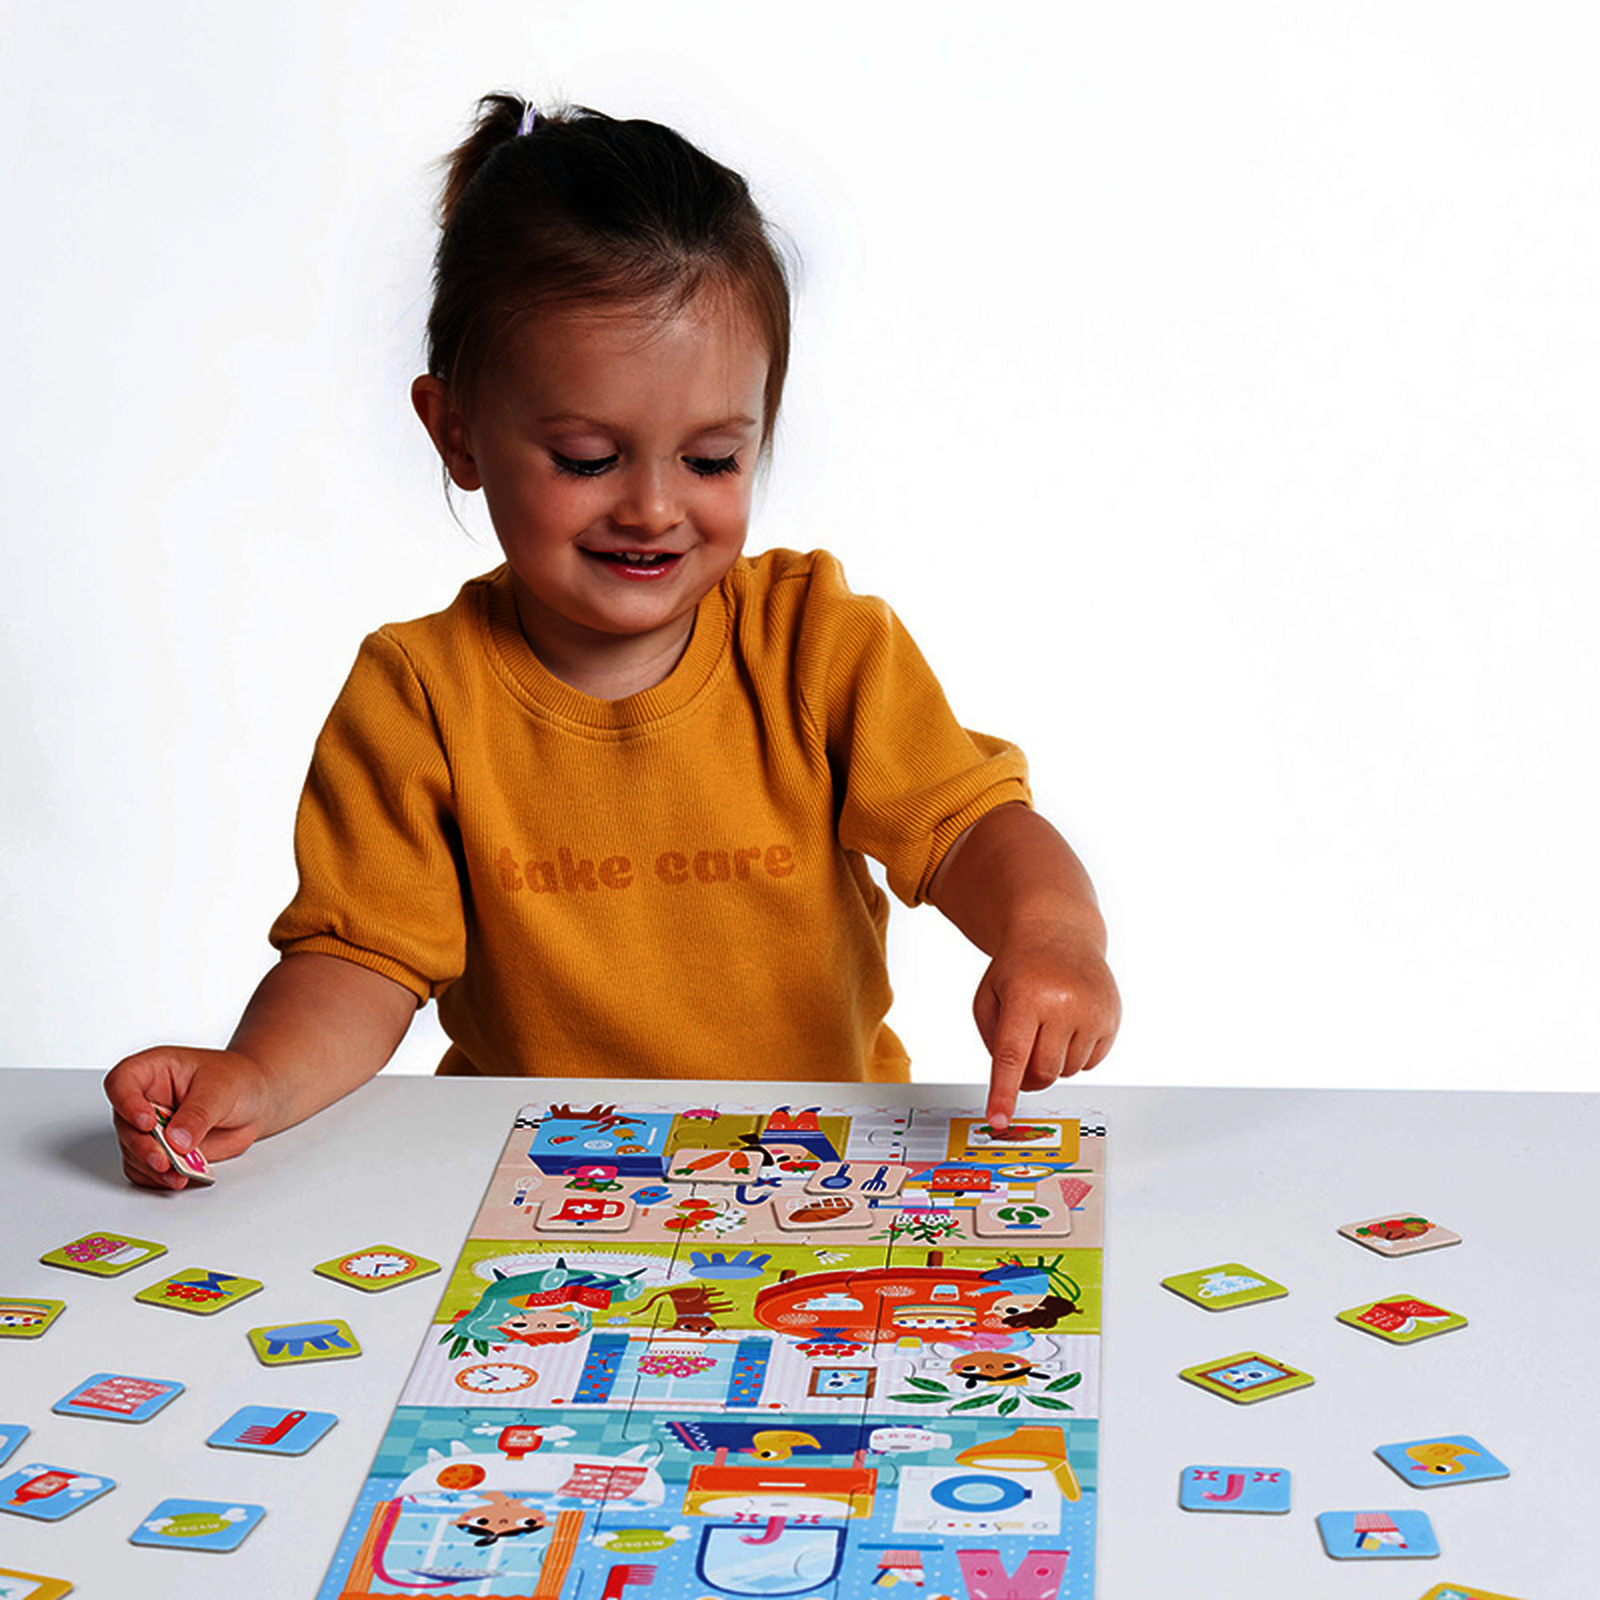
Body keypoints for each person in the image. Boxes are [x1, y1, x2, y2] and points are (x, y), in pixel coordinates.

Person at [105, 96, 1119, 1190]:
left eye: (712, 460)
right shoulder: (419, 694)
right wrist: (260, 1075)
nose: (653, 509)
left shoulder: (816, 643)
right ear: (456, 432)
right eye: (588, 459)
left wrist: (1052, 935)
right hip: (543, 1182)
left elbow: (971, 830)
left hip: (812, 1171)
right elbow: (361, 958)